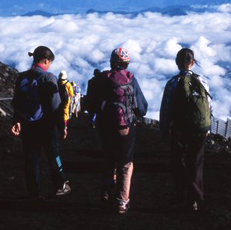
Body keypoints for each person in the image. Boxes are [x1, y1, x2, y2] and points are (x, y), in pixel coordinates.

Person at [85, 47, 148, 214]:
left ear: (112, 61)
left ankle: (106, 194)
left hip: (106, 127)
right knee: (125, 163)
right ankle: (122, 201)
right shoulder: (131, 79)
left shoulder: (101, 79)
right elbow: (142, 108)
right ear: (126, 63)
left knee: (109, 160)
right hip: (126, 127)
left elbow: (89, 105)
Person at [11, 46, 71, 200]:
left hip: (28, 124)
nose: (50, 65)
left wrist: (17, 120)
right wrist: (62, 126)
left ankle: (34, 193)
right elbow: (55, 106)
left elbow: (17, 101)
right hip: (45, 126)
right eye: (50, 62)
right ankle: (61, 184)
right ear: (46, 60)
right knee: (53, 154)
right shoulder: (48, 78)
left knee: (31, 159)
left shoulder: (22, 77)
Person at [160, 48, 211, 211]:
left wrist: (164, 130)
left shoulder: (173, 83)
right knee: (195, 163)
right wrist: (207, 126)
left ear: (177, 63)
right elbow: (209, 106)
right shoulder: (202, 80)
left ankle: (179, 195)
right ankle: (193, 199)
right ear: (193, 62)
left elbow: (166, 109)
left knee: (178, 162)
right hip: (200, 129)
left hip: (180, 130)